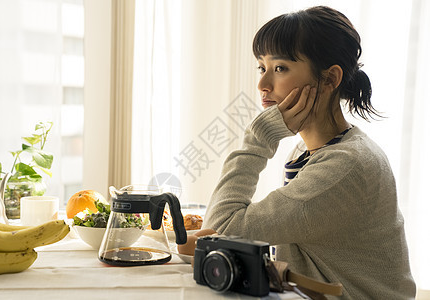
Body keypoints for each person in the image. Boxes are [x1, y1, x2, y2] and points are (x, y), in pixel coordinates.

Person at [178, 5, 416, 299]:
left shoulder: (345, 166)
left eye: (280, 68)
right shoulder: (307, 150)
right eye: (261, 67)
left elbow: (222, 228)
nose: (262, 84)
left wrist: (260, 137)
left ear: (329, 79)